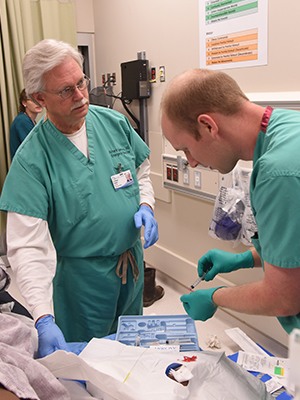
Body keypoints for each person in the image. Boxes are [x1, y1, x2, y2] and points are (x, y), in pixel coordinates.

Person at [0, 39, 158, 358]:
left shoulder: (113, 123)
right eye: (65, 91)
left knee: (131, 355)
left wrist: (146, 205)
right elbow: (27, 246)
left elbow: (141, 172)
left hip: (132, 269)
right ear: (38, 97)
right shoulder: (33, 159)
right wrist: (43, 318)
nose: (80, 96)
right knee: (91, 368)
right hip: (82, 285)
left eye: (81, 83)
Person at [160, 68, 300, 335]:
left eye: (187, 149)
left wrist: (214, 297)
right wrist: (245, 259)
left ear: (209, 125)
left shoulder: (278, 172)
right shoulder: (288, 127)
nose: (191, 162)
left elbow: (283, 298)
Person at [9, 88, 43, 160]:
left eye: (40, 99)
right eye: (33, 100)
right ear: (24, 103)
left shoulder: (31, 121)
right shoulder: (22, 120)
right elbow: (36, 149)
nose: (38, 103)